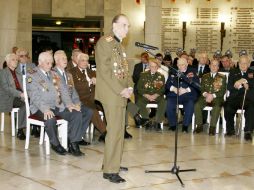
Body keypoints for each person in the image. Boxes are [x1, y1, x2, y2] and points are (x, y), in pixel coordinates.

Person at [95, 14, 132, 183]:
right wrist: (121, 90)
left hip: (121, 93)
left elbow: (125, 71)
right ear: (114, 25)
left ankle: (113, 163)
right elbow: (105, 71)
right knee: (115, 132)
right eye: (124, 25)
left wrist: (130, 87)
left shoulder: (119, 46)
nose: (127, 29)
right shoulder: (105, 42)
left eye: (128, 26)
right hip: (112, 94)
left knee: (118, 132)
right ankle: (110, 170)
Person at [26, 52, 86, 156]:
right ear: (40, 63)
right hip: (40, 107)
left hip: (57, 105)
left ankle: (73, 144)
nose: (50, 65)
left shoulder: (54, 74)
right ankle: (55, 144)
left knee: (76, 114)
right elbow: (34, 96)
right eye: (47, 63)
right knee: (50, 118)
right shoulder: (32, 74)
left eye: (51, 63)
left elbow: (63, 90)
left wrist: (69, 104)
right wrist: (45, 109)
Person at [52, 50, 93, 145]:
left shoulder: (68, 75)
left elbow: (73, 92)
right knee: (76, 114)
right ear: (56, 60)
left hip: (70, 103)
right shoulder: (52, 74)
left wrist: (77, 103)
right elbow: (60, 93)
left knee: (88, 111)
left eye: (66, 58)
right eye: (62, 58)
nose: (65, 60)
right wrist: (70, 105)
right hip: (59, 105)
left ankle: (76, 137)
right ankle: (73, 143)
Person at [69, 52, 107, 142]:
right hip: (82, 99)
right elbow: (75, 87)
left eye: (86, 61)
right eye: (82, 60)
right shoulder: (72, 72)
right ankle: (105, 133)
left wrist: (98, 82)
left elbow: (101, 85)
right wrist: (90, 82)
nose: (85, 63)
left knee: (107, 107)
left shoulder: (91, 72)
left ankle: (106, 131)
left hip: (95, 98)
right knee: (92, 110)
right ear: (77, 61)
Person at [224, 55, 254, 141]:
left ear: (248, 64)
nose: (243, 65)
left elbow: (252, 83)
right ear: (238, 63)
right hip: (235, 97)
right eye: (241, 63)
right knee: (227, 106)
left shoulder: (252, 72)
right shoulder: (233, 72)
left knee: (251, 108)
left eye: (245, 63)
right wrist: (239, 86)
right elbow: (229, 87)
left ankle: (248, 131)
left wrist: (242, 80)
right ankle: (230, 130)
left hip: (248, 98)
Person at [166, 58, 200, 132]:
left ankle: (185, 126)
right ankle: (173, 125)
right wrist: (174, 89)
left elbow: (196, 85)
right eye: (179, 64)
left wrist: (186, 90)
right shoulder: (173, 71)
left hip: (187, 95)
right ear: (177, 65)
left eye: (183, 64)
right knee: (169, 104)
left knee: (190, 106)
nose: (180, 66)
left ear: (187, 64)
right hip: (174, 95)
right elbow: (168, 84)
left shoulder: (193, 72)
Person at [194, 59, 227, 135]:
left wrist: (213, 95)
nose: (214, 67)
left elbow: (222, 91)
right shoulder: (205, 76)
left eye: (216, 65)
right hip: (205, 97)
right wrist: (206, 94)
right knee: (197, 105)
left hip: (217, 97)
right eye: (212, 64)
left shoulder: (222, 77)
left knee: (217, 106)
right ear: (209, 66)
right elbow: (201, 88)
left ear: (218, 67)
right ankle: (199, 125)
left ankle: (212, 127)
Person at [0, 53, 26, 140]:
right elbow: (6, 88)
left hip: (20, 95)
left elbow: (24, 86)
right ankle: (20, 129)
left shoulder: (18, 73)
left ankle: (35, 127)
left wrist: (26, 92)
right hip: (9, 97)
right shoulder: (3, 73)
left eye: (16, 60)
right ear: (7, 62)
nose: (16, 61)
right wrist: (20, 94)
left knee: (34, 101)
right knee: (24, 104)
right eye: (13, 59)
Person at [136, 59, 166, 130]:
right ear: (149, 67)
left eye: (155, 66)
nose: (154, 68)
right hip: (146, 95)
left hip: (157, 95)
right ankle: (146, 121)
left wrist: (155, 95)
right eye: (152, 66)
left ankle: (158, 122)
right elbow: (139, 87)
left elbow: (163, 89)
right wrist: (147, 95)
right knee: (139, 102)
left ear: (158, 67)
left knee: (164, 102)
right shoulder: (143, 75)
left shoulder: (161, 76)